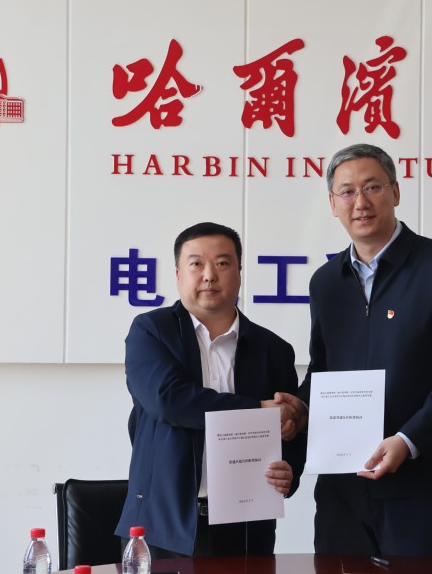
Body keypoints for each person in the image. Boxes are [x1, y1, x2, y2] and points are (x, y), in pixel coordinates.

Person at [276, 143, 432, 557]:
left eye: (372, 187)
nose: (360, 202)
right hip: (341, 490)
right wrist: (299, 407)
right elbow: (324, 370)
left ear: (395, 192)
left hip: (419, 487)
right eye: (347, 191)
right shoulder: (326, 282)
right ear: (332, 204)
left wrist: (408, 440)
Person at [116, 222, 306, 558]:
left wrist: (289, 469)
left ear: (239, 272)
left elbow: (290, 429)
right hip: (162, 525)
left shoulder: (273, 349)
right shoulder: (151, 331)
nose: (209, 275)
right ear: (178, 274)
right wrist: (259, 410)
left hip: (246, 525)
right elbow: (168, 400)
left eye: (222, 263)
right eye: (196, 264)